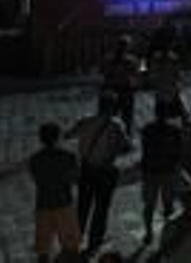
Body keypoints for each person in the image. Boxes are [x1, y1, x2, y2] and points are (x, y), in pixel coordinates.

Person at [69, 95, 132, 253]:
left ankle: (75, 238)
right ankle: (94, 242)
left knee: (82, 206)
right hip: (105, 171)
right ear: (112, 108)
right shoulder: (117, 125)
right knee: (101, 208)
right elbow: (126, 146)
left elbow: (68, 134)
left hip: (87, 169)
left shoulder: (86, 120)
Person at [29, 122, 81, 263]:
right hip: (63, 203)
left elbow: (37, 180)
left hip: (43, 204)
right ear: (58, 137)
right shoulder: (68, 157)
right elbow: (75, 178)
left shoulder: (34, 159)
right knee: (71, 246)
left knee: (43, 249)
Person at [139, 106, 186, 244]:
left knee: (149, 205)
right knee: (168, 206)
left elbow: (145, 151)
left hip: (151, 172)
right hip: (168, 172)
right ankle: (167, 231)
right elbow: (179, 152)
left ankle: (149, 233)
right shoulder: (174, 130)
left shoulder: (147, 129)